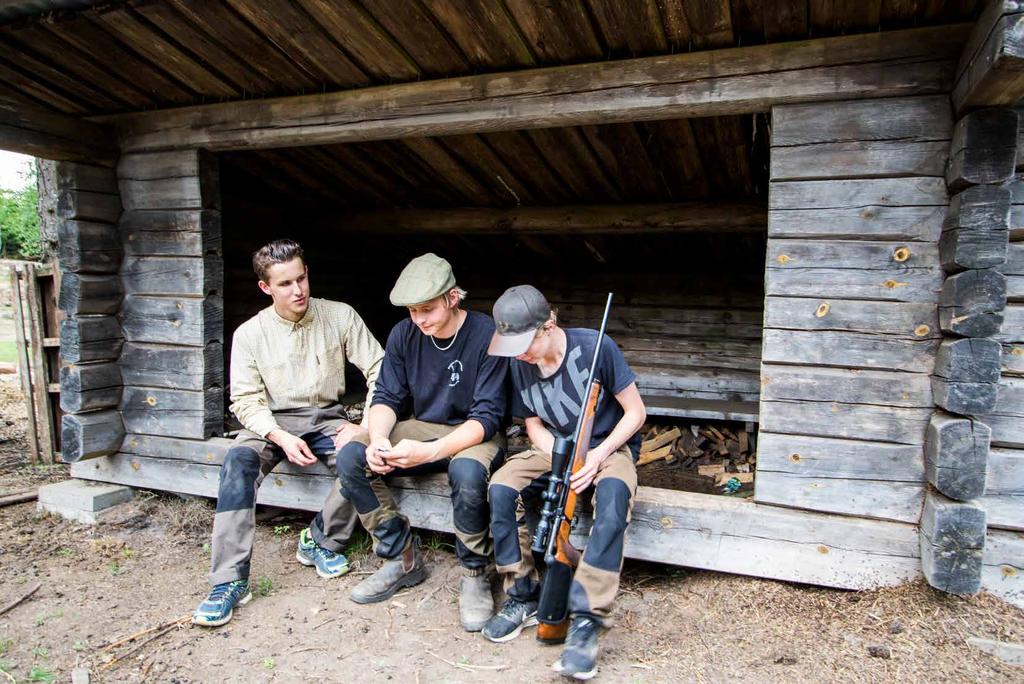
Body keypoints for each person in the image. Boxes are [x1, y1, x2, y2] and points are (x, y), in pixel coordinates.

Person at [192, 239, 384, 627]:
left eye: (301, 279)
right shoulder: (250, 334)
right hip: (270, 422)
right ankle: (228, 581)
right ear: (266, 288)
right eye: (285, 284)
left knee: (364, 457)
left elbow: (380, 369)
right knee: (237, 464)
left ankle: (319, 539)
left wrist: (365, 424)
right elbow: (244, 401)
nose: (297, 291)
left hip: (328, 416)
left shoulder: (339, 315)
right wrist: (279, 436)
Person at [336, 253, 508, 632]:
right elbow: (386, 397)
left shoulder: (487, 335)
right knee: (352, 454)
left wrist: (429, 453)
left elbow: (487, 417)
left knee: (465, 470)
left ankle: (475, 571)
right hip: (422, 426)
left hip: (474, 433)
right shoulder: (404, 334)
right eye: (412, 311)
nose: (419, 319)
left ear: (452, 297)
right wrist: (378, 439)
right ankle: (401, 556)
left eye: (427, 309)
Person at [482, 285, 646, 680]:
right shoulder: (519, 362)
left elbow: (635, 412)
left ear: (548, 326)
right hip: (554, 448)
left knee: (613, 497)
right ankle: (521, 593)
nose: (518, 353)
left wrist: (596, 456)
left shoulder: (595, 348)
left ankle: (588, 618)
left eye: (523, 343)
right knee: (501, 486)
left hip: (608, 449)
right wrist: (561, 456)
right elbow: (533, 424)